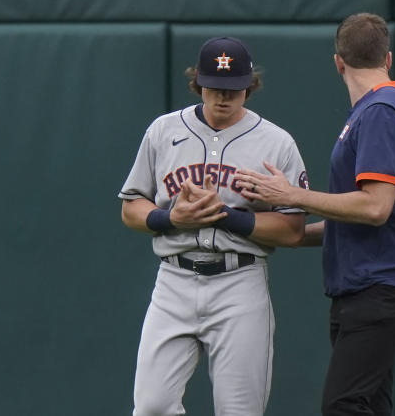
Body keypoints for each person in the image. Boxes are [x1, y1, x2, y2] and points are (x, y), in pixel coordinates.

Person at [234, 13, 395, 416]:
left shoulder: (382, 109)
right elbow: (358, 216)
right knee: (371, 407)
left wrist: (292, 194)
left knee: (343, 406)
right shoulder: (378, 110)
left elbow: (375, 208)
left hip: (382, 286)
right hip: (368, 287)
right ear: (389, 58)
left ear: (337, 62)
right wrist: (285, 229)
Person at [118, 36, 308, 416]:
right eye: (215, 87)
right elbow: (131, 208)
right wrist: (169, 218)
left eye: (233, 89)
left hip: (239, 282)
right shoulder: (163, 131)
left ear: (249, 87)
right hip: (173, 281)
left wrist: (229, 216)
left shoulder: (277, 143)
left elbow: (292, 230)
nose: (223, 97)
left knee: (240, 411)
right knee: (152, 407)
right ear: (198, 83)